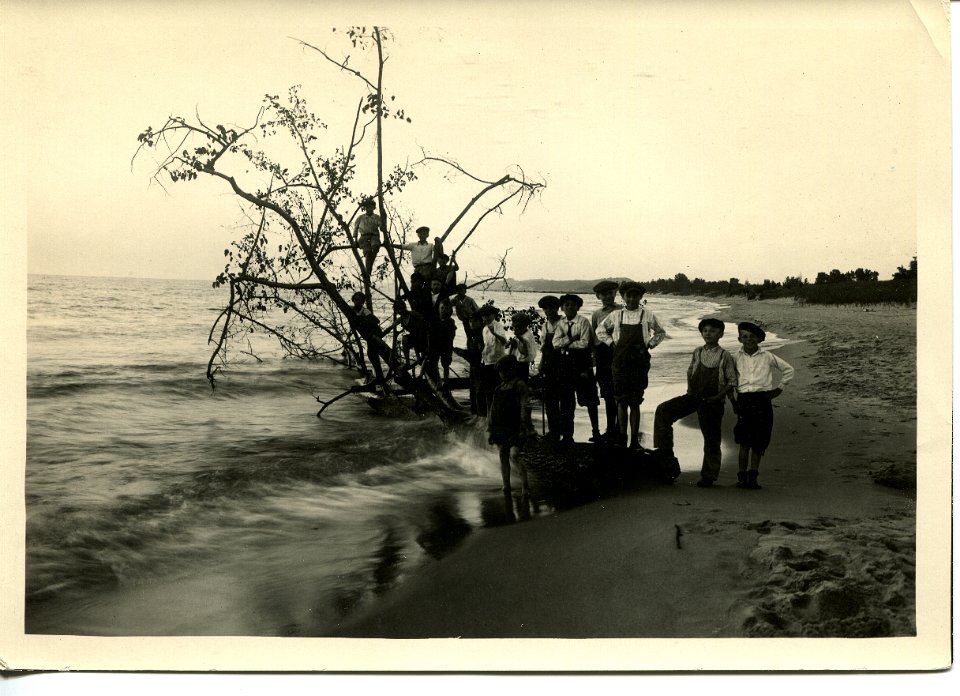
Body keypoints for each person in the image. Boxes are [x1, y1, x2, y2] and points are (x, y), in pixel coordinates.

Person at [653, 318, 737, 487]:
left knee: (712, 439)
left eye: (713, 331)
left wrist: (718, 397)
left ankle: (709, 476)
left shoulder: (725, 355)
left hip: (713, 401)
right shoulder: (697, 351)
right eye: (705, 330)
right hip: (694, 396)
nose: (708, 334)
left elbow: (732, 381)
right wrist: (689, 391)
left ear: (720, 334)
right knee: (663, 411)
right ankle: (665, 461)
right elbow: (690, 371)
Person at [595, 282, 667, 449]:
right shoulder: (616, 315)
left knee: (635, 402)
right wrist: (611, 343)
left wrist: (650, 344)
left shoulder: (648, 314)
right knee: (621, 400)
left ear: (641, 297)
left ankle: (634, 440)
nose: (632, 298)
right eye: (628, 295)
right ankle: (622, 437)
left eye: (635, 295)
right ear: (623, 297)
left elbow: (661, 332)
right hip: (620, 362)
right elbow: (600, 330)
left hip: (639, 363)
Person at [731, 321, 795, 490]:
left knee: (759, 441)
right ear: (739, 339)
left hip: (762, 400)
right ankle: (741, 477)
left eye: (752, 337)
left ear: (759, 339)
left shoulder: (767, 356)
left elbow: (788, 370)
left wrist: (779, 388)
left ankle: (753, 477)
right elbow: (728, 377)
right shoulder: (735, 357)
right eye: (745, 336)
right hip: (744, 400)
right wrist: (732, 398)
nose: (749, 340)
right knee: (744, 442)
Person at [552, 293, 601, 445]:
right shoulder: (561, 323)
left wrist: (565, 344)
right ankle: (568, 435)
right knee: (566, 401)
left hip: (582, 363)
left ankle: (596, 432)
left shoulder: (583, 322)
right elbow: (555, 343)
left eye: (573, 305)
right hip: (566, 365)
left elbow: (584, 343)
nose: (569, 307)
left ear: (578, 307)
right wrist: (571, 339)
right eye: (566, 305)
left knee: (590, 400)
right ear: (562, 307)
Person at [487, 355, 534, 495]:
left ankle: (525, 486)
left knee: (515, 454)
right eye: (501, 371)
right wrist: (490, 428)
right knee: (503, 454)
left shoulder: (519, 385)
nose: (503, 374)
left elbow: (526, 406)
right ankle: (506, 484)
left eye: (506, 371)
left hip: (516, 426)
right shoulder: (499, 388)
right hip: (500, 427)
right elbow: (492, 410)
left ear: (513, 370)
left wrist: (525, 426)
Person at [591, 279, 622, 442]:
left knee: (619, 392)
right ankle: (611, 429)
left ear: (615, 293)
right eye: (604, 294)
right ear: (598, 296)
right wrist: (594, 357)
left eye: (611, 292)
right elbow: (594, 338)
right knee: (607, 393)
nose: (608, 296)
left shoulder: (623, 310)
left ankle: (620, 429)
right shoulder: (596, 314)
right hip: (603, 355)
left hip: (618, 352)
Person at [536, 295, 563, 440]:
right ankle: (553, 431)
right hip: (548, 364)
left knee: (563, 399)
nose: (548, 311)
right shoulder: (545, 326)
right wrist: (541, 363)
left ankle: (564, 432)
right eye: (545, 308)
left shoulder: (564, 322)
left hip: (562, 364)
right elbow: (544, 348)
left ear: (557, 308)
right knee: (549, 399)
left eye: (551, 308)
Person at [479, 304, 510, 416]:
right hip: (487, 362)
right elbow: (487, 346)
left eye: (488, 315)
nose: (486, 318)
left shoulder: (498, 326)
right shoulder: (484, 329)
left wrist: (494, 333)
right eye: (483, 316)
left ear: (494, 315)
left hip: (498, 363)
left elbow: (504, 342)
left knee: (498, 392)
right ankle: (490, 417)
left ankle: (498, 417)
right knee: (488, 392)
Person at [424, 298, 457, 387]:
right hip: (435, 345)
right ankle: (438, 381)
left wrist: (448, 345)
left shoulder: (451, 321)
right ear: (438, 309)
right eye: (442, 308)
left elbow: (452, 336)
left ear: (450, 310)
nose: (443, 310)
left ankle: (446, 382)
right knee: (434, 363)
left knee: (445, 364)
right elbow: (429, 334)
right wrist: (429, 346)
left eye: (446, 308)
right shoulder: (435, 320)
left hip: (446, 346)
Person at [353, 198, 382, 277]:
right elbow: (355, 229)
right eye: (367, 207)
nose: (369, 209)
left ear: (373, 208)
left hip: (374, 236)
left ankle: (368, 269)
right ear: (365, 208)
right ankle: (367, 272)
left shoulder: (377, 217)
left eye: (371, 207)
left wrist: (383, 225)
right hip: (364, 237)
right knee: (368, 253)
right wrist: (355, 240)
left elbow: (381, 227)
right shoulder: (360, 218)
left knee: (375, 247)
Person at [507, 311, 538, 381]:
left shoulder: (527, 336)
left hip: (522, 365)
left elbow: (524, 352)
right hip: (516, 363)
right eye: (514, 327)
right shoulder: (521, 334)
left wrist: (517, 337)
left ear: (523, 326)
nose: (514, 329)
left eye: (516, 327)